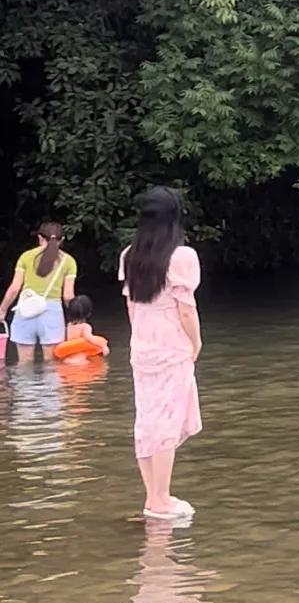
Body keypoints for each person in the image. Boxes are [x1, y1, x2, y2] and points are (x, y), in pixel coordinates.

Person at [120, 187, 202, 520]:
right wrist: (196, 342)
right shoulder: (182, 256)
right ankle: (161, 498)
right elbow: (186, 310)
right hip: (171, 345)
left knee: (148, 419)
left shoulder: (129, 254)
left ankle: (153, 495)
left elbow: (131, 306)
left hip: (141, 346)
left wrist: (138, 337)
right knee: (168, 419)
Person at [0, 222, 78, 362]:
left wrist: (2, 309)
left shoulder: (26, 257)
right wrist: (76, 317)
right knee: (52, 365)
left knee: (24, 365)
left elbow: (14, 288)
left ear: (40, 238)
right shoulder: (68, 261)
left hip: (25, 310)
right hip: (52, 313)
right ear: (62, 240)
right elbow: (68, 296)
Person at [57, 296, 110, 364]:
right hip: (80, 361)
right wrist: (103, 346)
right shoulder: (85, 327)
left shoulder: (69, 326)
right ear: (88, 313)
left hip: (67, 360)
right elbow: (89, 338)